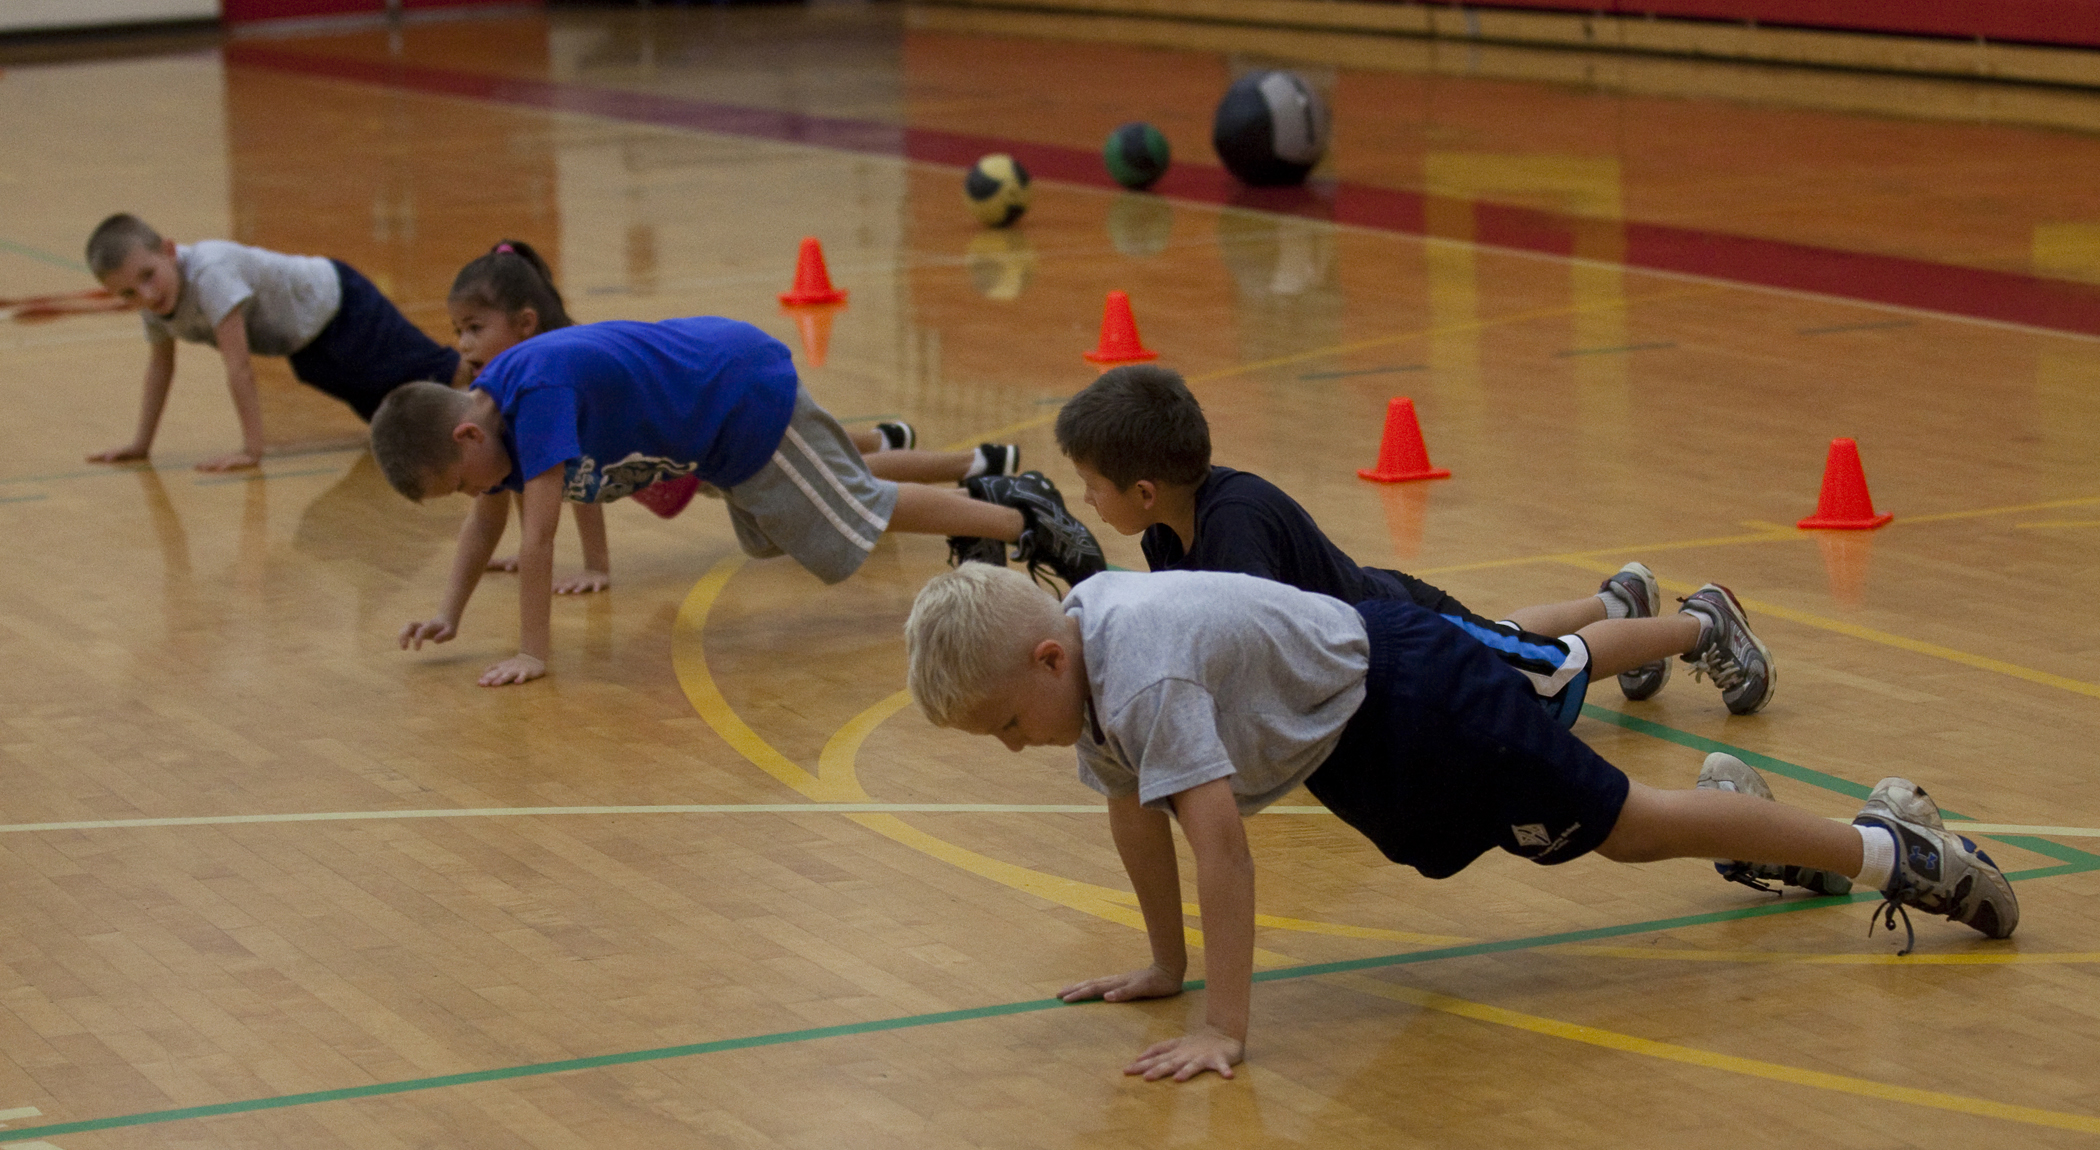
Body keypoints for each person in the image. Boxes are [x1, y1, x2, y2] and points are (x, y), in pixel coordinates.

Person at [903, 563, 2018, 1082]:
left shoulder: (1134, 674)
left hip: (1415, 701)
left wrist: (1226, 1028)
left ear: (1050, 658)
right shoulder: (1081, 642)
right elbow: (1132, 815)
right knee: (1614, 824)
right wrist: (1163, 964)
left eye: (1006, 724)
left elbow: (1220, 847)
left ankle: (1895, 850)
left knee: (1624, 826)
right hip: (1367, 735)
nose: (1013, 746)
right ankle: (1751, 827)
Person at [370, 314, 1103, 686]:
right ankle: (982, 499)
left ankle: (1021, 514)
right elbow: (484, 524)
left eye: (464, 479)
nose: (476, 493)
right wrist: (448, 614)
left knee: (850, 512)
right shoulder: (494, 420)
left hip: (737, 394)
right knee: (789, 531)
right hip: (713, 435)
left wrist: (535, 652)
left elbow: (535, 541)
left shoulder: (535, 395)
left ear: (467, 435)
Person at [1054, 365, 1774, 719]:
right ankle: (1617, 604)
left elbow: (1255, 641)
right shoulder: (1166, 534)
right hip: (1391, 631)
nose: (1086, 498)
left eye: (1092, 484)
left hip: (1405, 641)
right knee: (1500, 641)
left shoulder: (1235, 519)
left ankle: (1701, 622)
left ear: (1144, 490)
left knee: (1545, 678)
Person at [445, 241, 1025, 594]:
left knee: (851, 496)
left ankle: (996, 490)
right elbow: (542, 495)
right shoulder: (505, 391)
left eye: (476, 328)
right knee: (834, 480)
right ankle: (955, 460)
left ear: (522, 323)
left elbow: (565, 497)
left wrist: (594, 563)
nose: (465, 344)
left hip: (706, 428)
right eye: (459, 331)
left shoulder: (541, 383)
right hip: (696, 443)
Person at [83, 213, 465, 472]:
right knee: (395, 416)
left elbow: (239, 367)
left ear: (169, 250)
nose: (146, 296)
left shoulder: (210, 272)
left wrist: (251, 450)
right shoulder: (153, 304)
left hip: (343, 307)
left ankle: (508, 386)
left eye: (149, 276)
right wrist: (141, 444)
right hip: (305, 346)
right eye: (128, 293)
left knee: (443, 373)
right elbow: (160, 367)